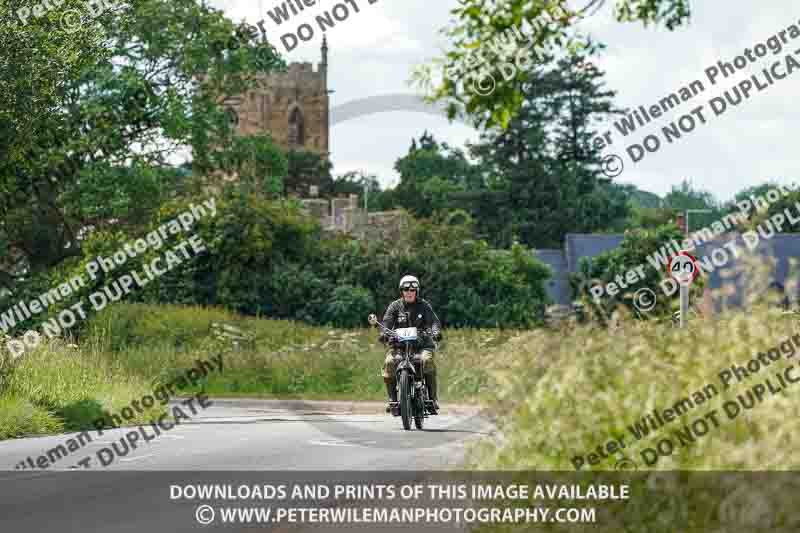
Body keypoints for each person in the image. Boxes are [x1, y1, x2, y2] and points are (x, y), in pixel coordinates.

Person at [379, 275, 442, 414]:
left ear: (416, 291)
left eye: (412, 289)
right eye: (406, 289)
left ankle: (432, 399)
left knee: (427, 360)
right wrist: (384, 333)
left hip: (422, 344)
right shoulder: (395, 306)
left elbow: (434, 321)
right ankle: (393, 400)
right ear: (401, 291)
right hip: (399, 346)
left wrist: (436, 331)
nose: (409, 292)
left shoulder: (424, 305)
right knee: (389, 362)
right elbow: (386, 322)